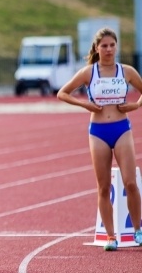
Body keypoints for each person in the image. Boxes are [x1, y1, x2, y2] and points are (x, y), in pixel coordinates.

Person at [57, 27, 142, 250]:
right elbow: (62, 93)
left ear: (116, 46)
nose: (108, 49)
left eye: (112, 45)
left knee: (130, 182)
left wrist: (135, 105)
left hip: (122, 128)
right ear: (97, 48)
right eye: (104, 45)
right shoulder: (89, 72)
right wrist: (85, 104)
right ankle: (111, 237)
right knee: (103, 187)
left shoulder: (127, 71)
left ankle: (138, 230)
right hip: (98, 132)